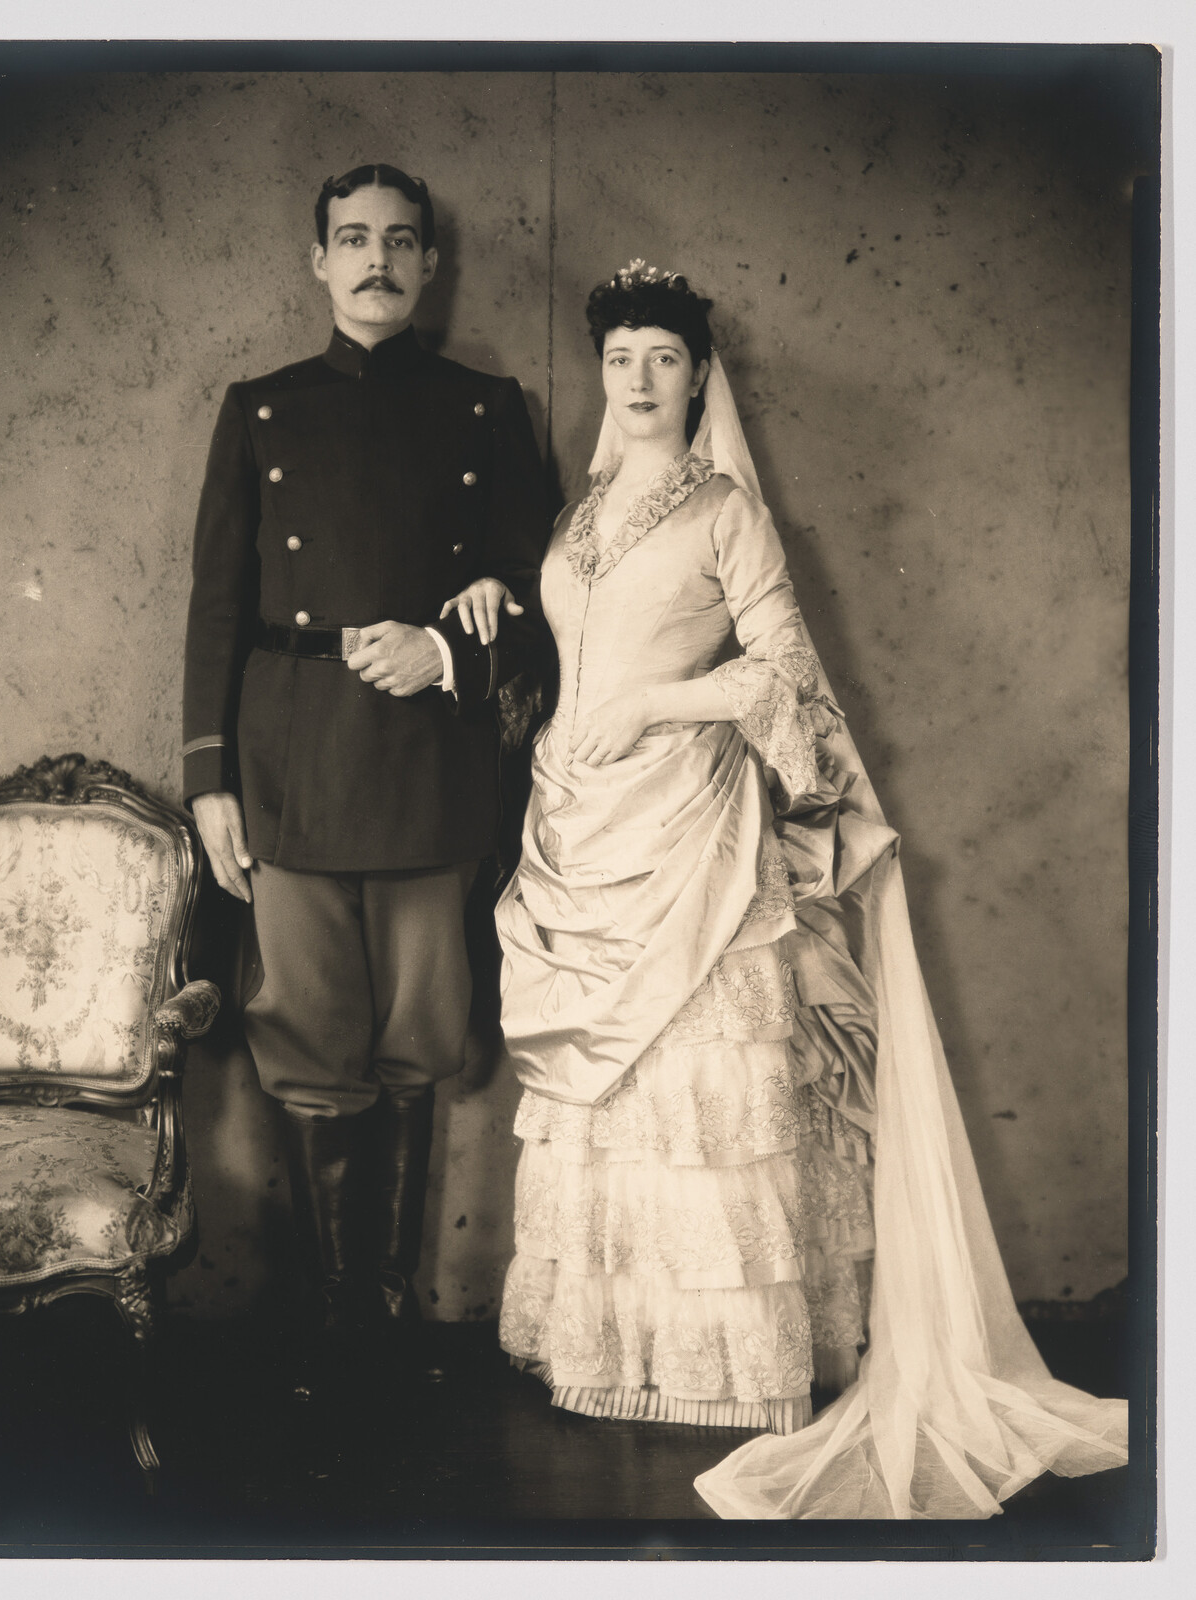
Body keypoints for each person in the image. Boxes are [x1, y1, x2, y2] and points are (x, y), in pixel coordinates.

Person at [447, 262, 1127, 1516]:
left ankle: (727, 1370)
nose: (639, 380)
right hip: (579, 828)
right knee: (613, 1084)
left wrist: (655, 701)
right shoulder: (574, 517)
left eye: (662, 357)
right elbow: (572, 647)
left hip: (691, 831)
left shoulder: (723, 513)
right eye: (619, 360)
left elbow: (780, 678)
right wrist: (513, 633)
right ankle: (615, 1355)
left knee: (707, 1086)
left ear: (698, 374)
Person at [181, 164, 549, 1375]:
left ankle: (386, 1308)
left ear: (430, 264)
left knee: (419, 1034)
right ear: (318, 261)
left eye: (400, 241)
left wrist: (445, 647)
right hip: (288, 763)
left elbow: (545, 609)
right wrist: (208, 781)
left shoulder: (490, 409)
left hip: (431, 767)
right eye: (352, 239)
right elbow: (215, 609)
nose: (376, 260)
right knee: (304, 1031)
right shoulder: (262, 408)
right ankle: (339, 1314)